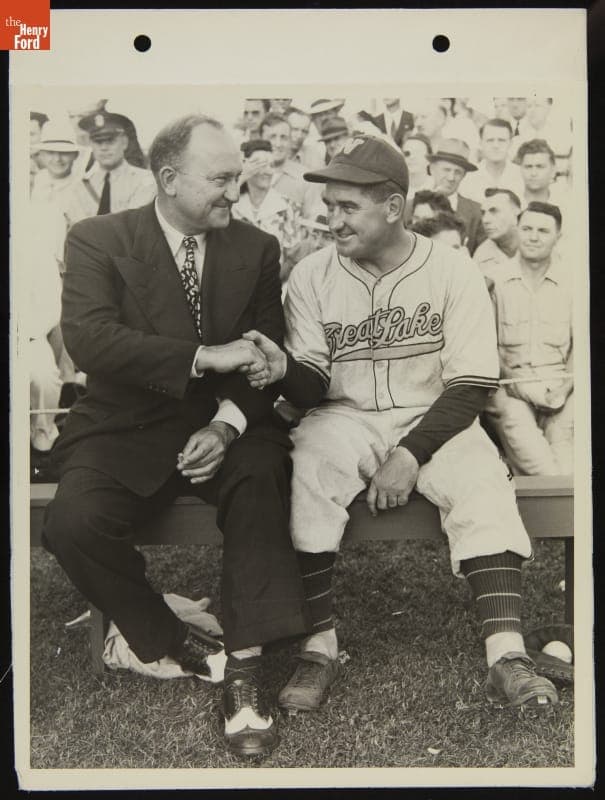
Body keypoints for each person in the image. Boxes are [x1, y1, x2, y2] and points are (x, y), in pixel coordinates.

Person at [241, 135, 559, 713]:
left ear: (392, 207)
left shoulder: (452, 271)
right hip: (345, 415)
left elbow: (471, 383)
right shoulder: (312, 276)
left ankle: (506, 654)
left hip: (436, 415)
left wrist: (409, 453)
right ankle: (320, 647)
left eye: (347, 207)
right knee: (308, 465)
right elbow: (312, 384)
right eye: (329, 206)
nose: (332, 219)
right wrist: (285, 369)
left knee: (482, 478)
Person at [41, 114, 312, 759]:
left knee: (257, 477)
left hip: (225, 422)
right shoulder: (99, 238)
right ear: (167, 179)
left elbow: (264, 356)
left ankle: (244, 675)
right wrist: (199, 357)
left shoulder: (255, 248)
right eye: (220, 179)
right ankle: (164, 638)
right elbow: (90, 340)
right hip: (124, 423)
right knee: (72, 524)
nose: (234, 191)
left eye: (237, 178)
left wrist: (226, 423)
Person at [485, 202, 573, 475]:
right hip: (511, 389)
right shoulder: (494, 281)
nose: (533, 237)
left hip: (562, 390)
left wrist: (563, 391)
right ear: (517, 230)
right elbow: (486, 349)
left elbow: (583, 349)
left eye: (543, 231)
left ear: (558, 236)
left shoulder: (575, 282)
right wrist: (524, 389)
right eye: (527, 228)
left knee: (568, 465)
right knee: (545, 471)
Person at [62, 111, 157, 226]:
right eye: (98, 142)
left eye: (110, 141)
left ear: (124, 143)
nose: (104, 148)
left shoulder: (145, 181)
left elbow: (132, 225)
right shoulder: (80, 186)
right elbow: (79, 228)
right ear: (91, 144)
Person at [232, 139, 303, 283]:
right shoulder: (231, 204)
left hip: (273, 286)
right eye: (260, 164)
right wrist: (241, 177)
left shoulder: (288, 206)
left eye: (271, 165)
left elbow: (292, 258)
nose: (267, 171)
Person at [427, 138, 486, 254]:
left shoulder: (476, 212)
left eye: (457, 172)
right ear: (432, 169)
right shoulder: (411, 206)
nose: (451, 178)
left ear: (464, 175)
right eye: (446, 170)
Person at [261, 112, 321, 218]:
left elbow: (312, 223)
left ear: (289, 141)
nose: (278, 144)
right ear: (260, 139)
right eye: (272, 137)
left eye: (284, 138)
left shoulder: (306, 179)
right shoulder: (247, 174)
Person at [461, 118, 524, 204]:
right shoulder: (468, 179)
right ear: (480, 143)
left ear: (510, 143)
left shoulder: (522, 175)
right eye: (490, 140)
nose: (496, 145)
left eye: (501, 140)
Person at [473, 188, 520, 282]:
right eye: (483, 213)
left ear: (516, 213)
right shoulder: (481, 256)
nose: (485, 220)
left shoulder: (538, 242)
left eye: (494, 211)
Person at [31, 120, 80, 204]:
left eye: (64, 152)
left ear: (75, 155)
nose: (57, 159)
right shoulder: (33, 182)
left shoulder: (82, 187)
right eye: (50, 152)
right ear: (41, 154)